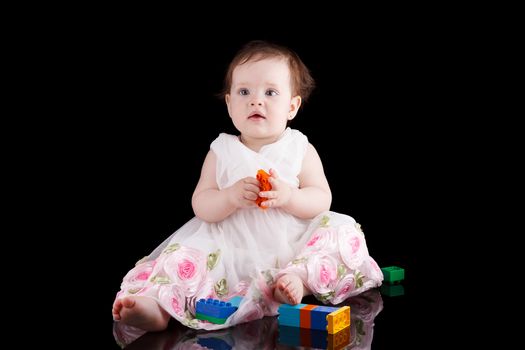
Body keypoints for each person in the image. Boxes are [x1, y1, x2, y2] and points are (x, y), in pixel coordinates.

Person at [112, 40, 383, 332]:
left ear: (292, 106)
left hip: (292, 242)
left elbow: (321, 198)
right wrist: (228, 197)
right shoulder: (221, 150)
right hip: (231, 246)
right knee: (182, 257)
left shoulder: (299, 148)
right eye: (244, 92)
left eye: (270, 92)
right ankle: (157, 307)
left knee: (343, 229)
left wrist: (289, 196)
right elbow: (201, 203)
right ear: (229, 104)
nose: (256, 101)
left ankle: (297, 280)